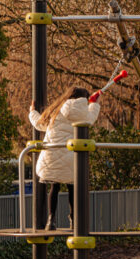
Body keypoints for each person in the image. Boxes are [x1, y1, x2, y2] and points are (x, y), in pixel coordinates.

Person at [29, 86, 102, 230]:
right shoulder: (83, 113)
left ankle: (51, 219)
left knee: (54, 188)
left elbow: (39, 124)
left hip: (52, 154)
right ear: (84, 99)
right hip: (71, 155)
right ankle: (74, 219)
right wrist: (95, 103)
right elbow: (91, 119)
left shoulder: (56, 110)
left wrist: (32, 112)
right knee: (72, 188)